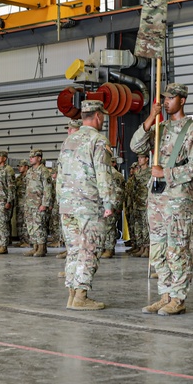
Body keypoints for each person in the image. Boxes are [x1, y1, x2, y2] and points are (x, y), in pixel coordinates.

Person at [130, 82, 193, 315]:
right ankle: (164, 295)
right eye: (164, 98)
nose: (166, 102)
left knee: (177, 250)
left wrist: (167, 173)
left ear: (182, 100)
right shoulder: (159, 127)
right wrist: (149, 119)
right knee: (158, 250)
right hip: (157, 198)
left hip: (178, 198)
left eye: (171, 98)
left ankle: (178, 298)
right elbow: (135, 146)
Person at [59, 100, 116, 310]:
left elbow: (59, 177)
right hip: (89, 206)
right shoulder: (98, 141)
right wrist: (109, 201)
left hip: (68, 205)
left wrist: (61, 202)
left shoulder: (69, 141)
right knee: (89, 249)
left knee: (74, 250)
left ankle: (72, 295)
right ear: (98, 116)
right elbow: (103, 174)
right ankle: (81, 297)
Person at [24, 148, 54, 257]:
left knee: (39, 225)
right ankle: (35, 246)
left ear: (39, 158)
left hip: (38, 203)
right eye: (30, 157)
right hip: (29, 203)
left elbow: (48, 188)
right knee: (31, 226)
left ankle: (42, 247)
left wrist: (45, 204)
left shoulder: (44, 171)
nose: (30, 159)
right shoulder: (30, 171)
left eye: (33, 157)